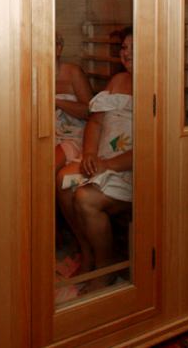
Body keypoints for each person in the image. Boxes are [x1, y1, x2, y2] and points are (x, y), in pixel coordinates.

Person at [56, 27, 133, 281]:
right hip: (102, 158)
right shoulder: (118, 81)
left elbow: (151, 147)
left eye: (135, 48)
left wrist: (108, 164)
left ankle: (105, 267)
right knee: (63, 181)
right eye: (124, 48)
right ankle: (86, 249)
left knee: (84, 198)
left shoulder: (158, 87)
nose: (127, 53)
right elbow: (96, 122)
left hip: (130, 168)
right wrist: (89, 153)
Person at [54, 33, 93, 172]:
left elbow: (89, 112)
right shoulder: (32, 74)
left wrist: (57, 102)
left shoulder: (73, 72)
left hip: (73, 134)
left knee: (48, 166)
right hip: (45, 134)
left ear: (59, 49)